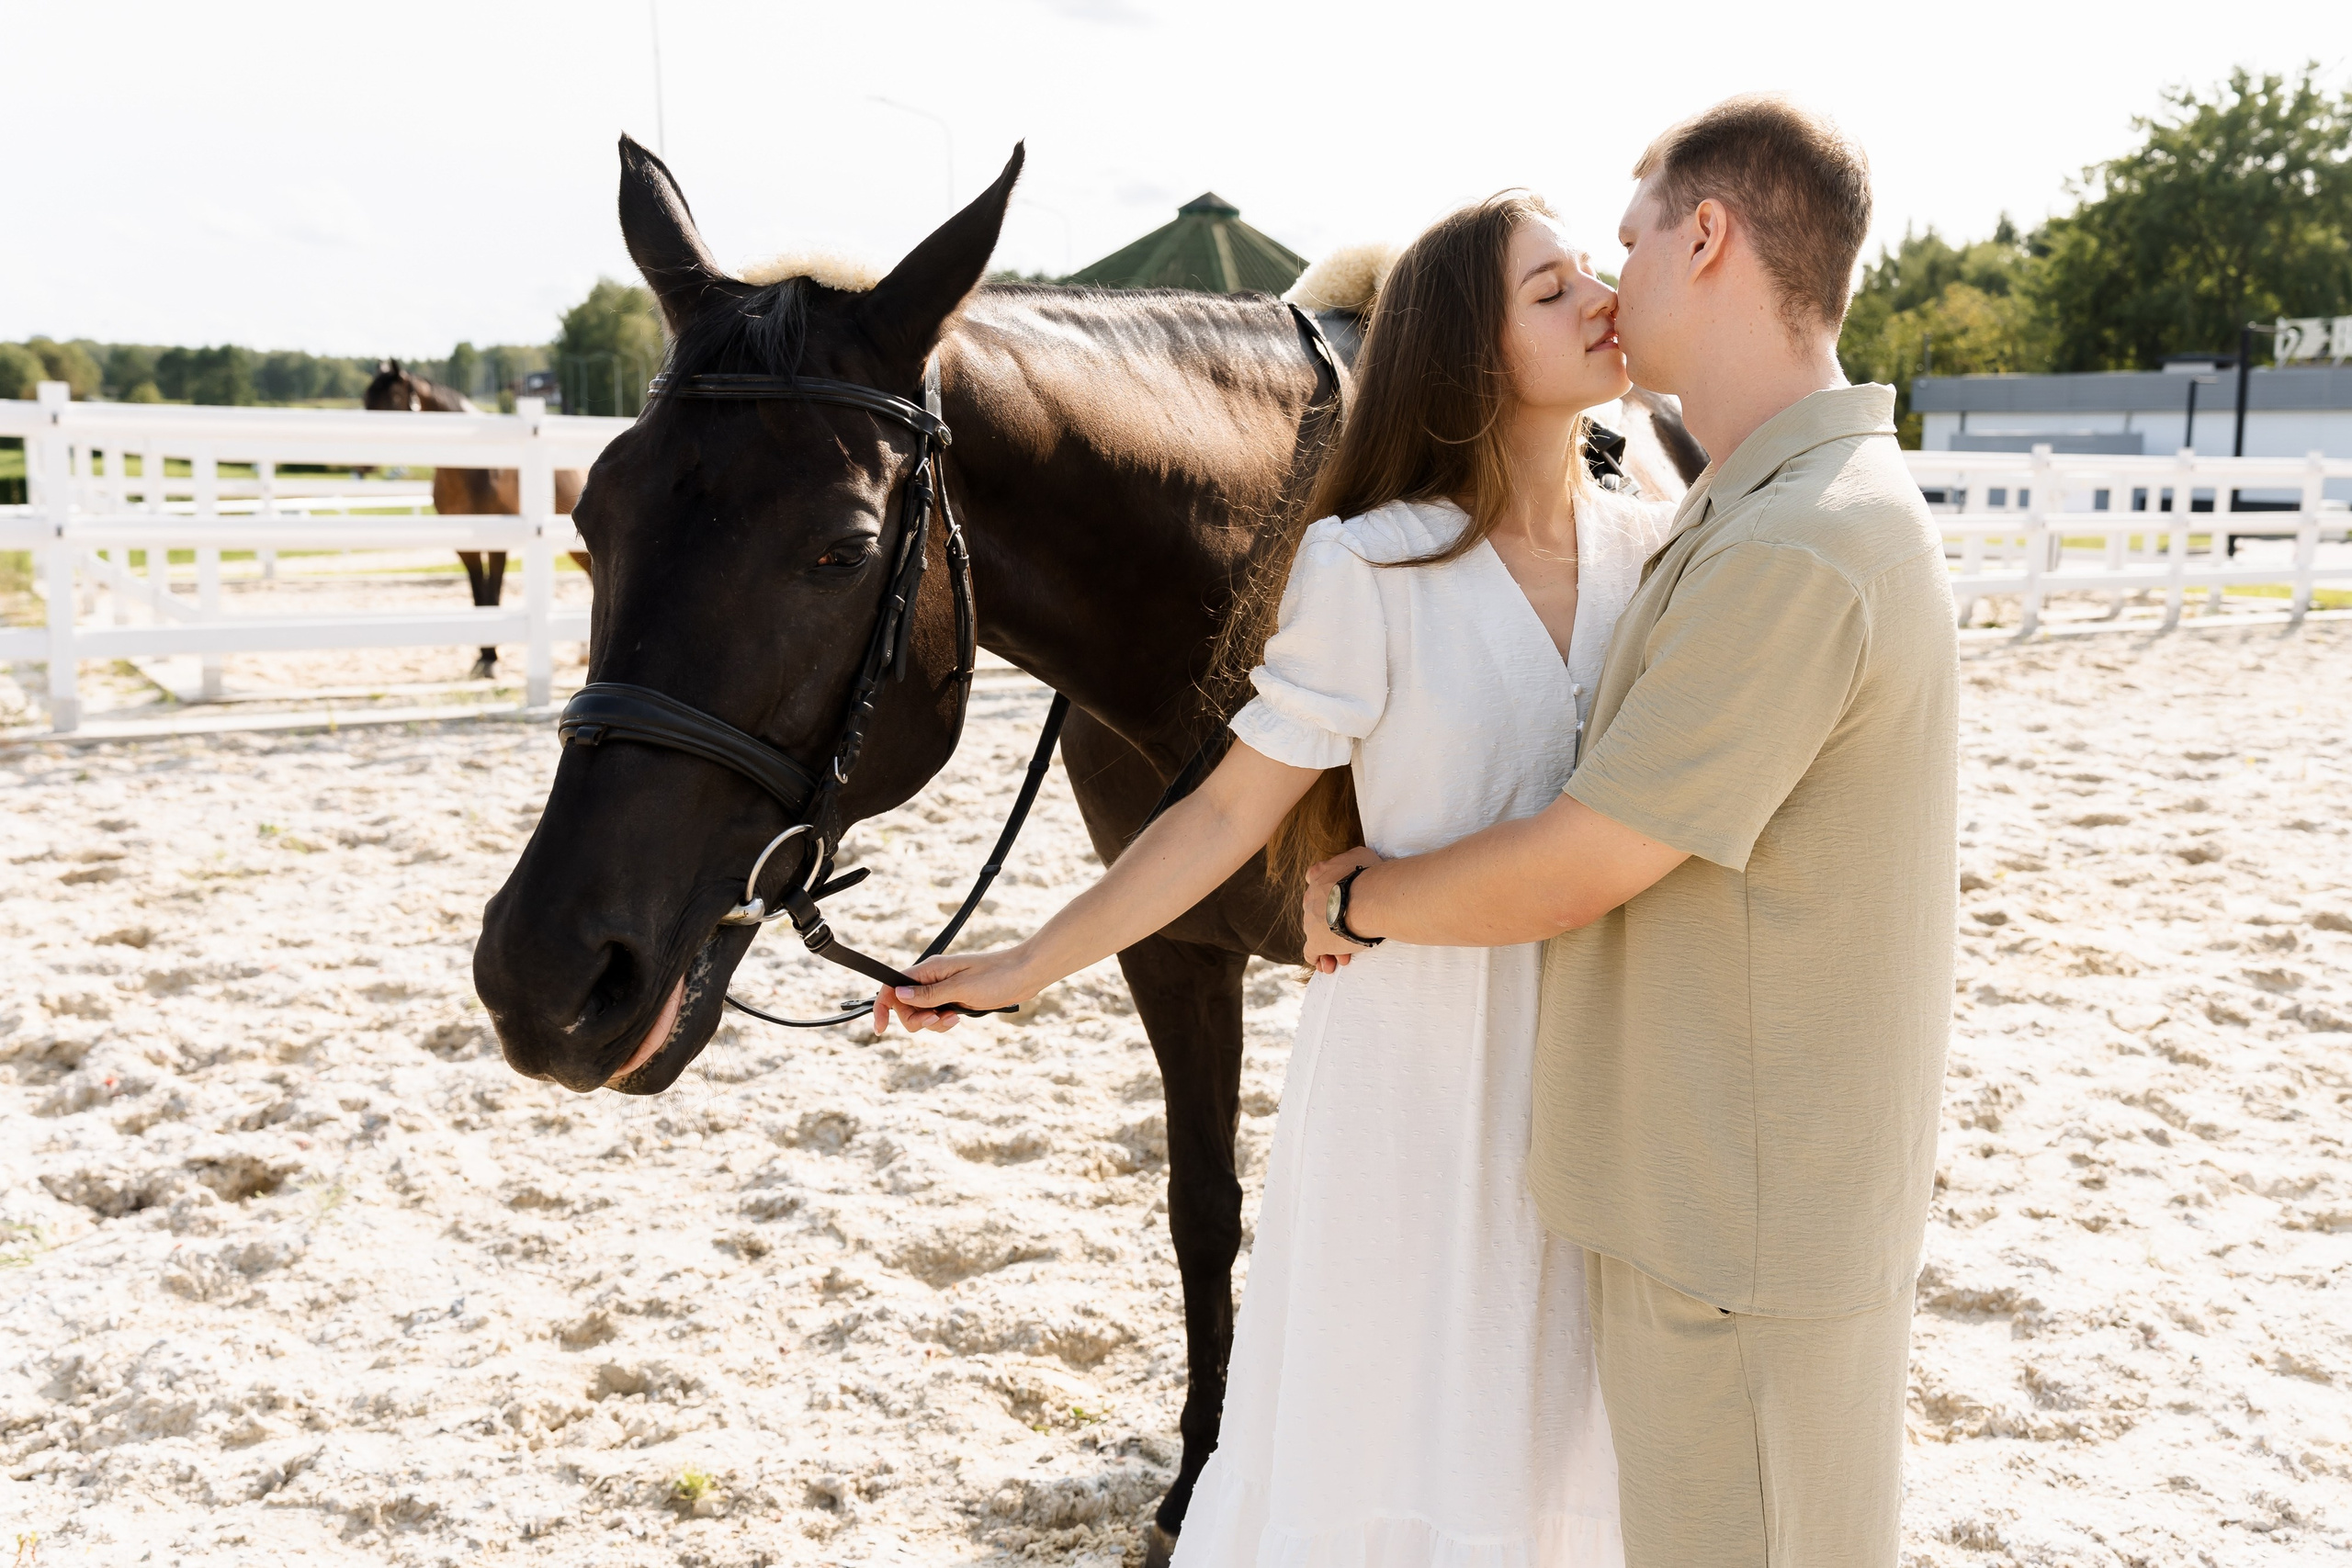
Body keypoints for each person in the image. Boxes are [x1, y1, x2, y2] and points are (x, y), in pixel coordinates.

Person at [877, 191, 1672, 1564]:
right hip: (1413, 1073)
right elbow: (1220, 813)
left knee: (1566, 1440)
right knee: (1399, 1436)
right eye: (1553, 291)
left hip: (1604, 1058)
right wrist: (1025, 967)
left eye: (1592, 272)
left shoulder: (1658, 552)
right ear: (1469, 359)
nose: (1600, 298)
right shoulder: (1368, 568)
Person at [1292, 97, 1960, 1568]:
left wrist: (1358, 906)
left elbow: (1595, 851)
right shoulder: (1751, 506)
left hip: (1743, 1221)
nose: (1614, 277)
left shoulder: (1799, 538)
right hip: (1720, 1198)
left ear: (1706, 236)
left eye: (1634, 234)